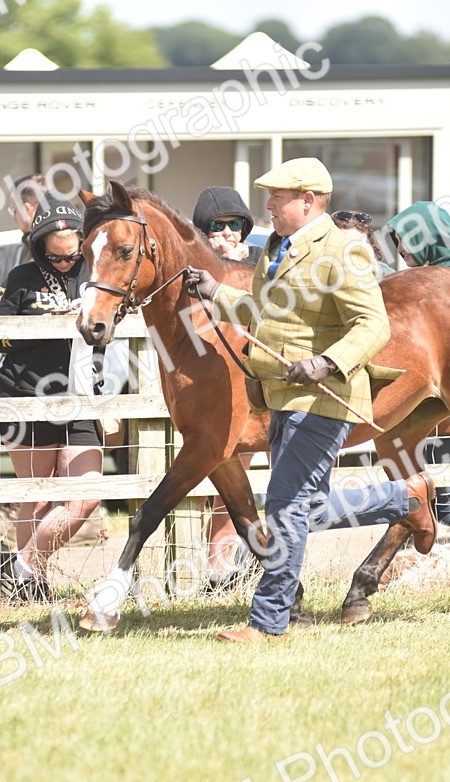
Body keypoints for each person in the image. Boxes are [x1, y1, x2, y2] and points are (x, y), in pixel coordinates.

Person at [184, 157, 437, 643]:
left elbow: (373, 325)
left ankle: (268, 621)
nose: (268, 205)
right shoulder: (277, 247)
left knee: (282, 506)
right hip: (279, 394)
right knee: (307, 505)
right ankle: (404, 497)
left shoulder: (344, 251)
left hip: (325, 397)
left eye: (277, 197)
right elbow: (263, 311)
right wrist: (217, 291)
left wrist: (327, 362)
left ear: (308, 200)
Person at [0, 193, 105, 602]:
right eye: (56, 258)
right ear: (40, 247)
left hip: (81, 394)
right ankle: (31, 584)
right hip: (27, 395)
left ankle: (19, 568)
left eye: (72, 256)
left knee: (85, 497)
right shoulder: (21, 278)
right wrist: (42, 324)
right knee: (36, 498)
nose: (66, 264)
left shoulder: (98, 271)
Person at [387, 201, 450, 529]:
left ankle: (447, 548)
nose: (400, 249)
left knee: (444, 481)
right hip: (412, 401)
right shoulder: (412, 277)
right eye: (397, 241)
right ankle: (418, 548)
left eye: (407, 240)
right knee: (411, 482)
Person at [190, 186, 262, 590]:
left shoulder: (259, 265)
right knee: (209, 481)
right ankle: (217, 565)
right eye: (218, 226)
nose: (228, 233)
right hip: (205, 388)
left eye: (236, 225)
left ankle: (221, 569)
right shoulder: (196, 271)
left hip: (252, 385)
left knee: (233, 482)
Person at [332, 210, 394, 277]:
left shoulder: (384, 274)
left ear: (369, 242)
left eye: (359, 242)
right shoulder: (322, 271)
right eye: (346, 242)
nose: (353, 248)